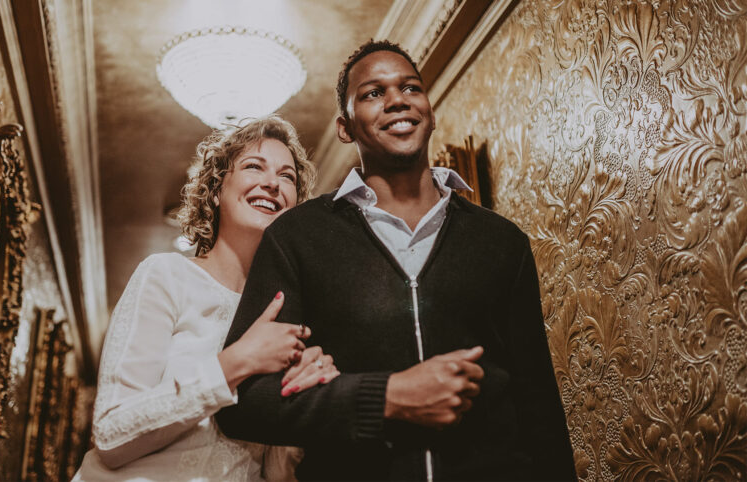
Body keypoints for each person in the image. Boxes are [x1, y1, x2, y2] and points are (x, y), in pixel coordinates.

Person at [216, 40, 576, 480]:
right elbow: (244, 405)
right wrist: (386, 396)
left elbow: (538, 403)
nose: (397, 100)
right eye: (373, 93)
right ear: (345, 127)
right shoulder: (297, 237)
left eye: (410, 87)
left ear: (429, 108)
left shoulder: (502, 241)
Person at [73, 116, 339, 481]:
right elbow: (110, 433)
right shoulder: (166, 275)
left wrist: (307, 400)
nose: (272, 183)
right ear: (216, 189)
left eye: (287, 176)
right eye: (253, 167)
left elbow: (275, 473)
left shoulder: (291, 316)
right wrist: (236, 363)